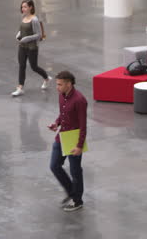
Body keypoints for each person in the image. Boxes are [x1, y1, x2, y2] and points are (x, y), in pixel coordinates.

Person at [48, 71, 87, 212]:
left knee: (75, 171)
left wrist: (79, 146)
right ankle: (72, 192)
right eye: (57, 84)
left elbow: (83, 125)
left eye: (59, 84)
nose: (57, 87)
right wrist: (56, 123)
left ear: (69, 84)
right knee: (54, 165)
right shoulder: (61, 95)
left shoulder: (79, 100)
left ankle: (78, 201)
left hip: (74, 138)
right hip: (62, 135)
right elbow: (62, 114)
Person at [11, 0, 51, 97]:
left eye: (25, 6)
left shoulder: (34, 20)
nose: (23, 8)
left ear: (30, 7)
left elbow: (38, 35)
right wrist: (18, 35)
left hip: (32, 47)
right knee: (22, 66)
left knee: (34, 67)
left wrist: (26, 39)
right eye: (22, 7)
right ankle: (20, 88)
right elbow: (22, 30)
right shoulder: (23, 17)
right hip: (22, 46)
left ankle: (46, 78)